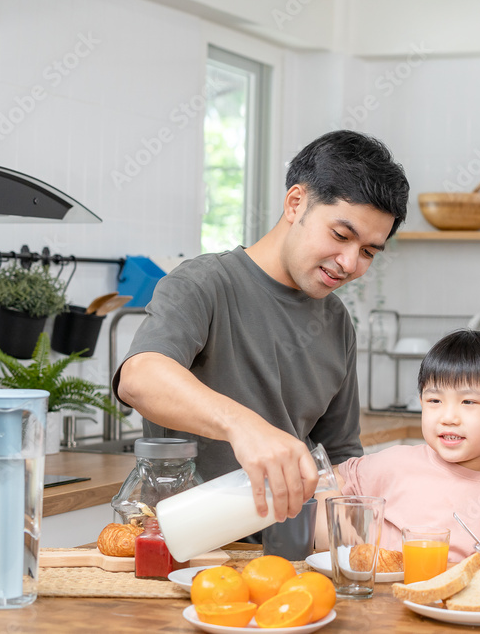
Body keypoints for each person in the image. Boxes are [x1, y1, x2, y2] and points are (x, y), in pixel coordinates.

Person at [115, 130, 410, 524]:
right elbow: (140, 378)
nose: (349, 263)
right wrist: (243, 426)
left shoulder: (337, 321)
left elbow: (340, 456)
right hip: (186, 545)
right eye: (341, 235)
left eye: (368, 252)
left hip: (291, 556)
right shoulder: (205, 284)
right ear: (295, 203)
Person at [317, 329, 480, 562]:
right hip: (386, 604)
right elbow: (327, 478)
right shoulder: (395, 464)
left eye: (468, 401)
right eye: (434, 400)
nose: (448, 417)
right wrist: (337, 530)